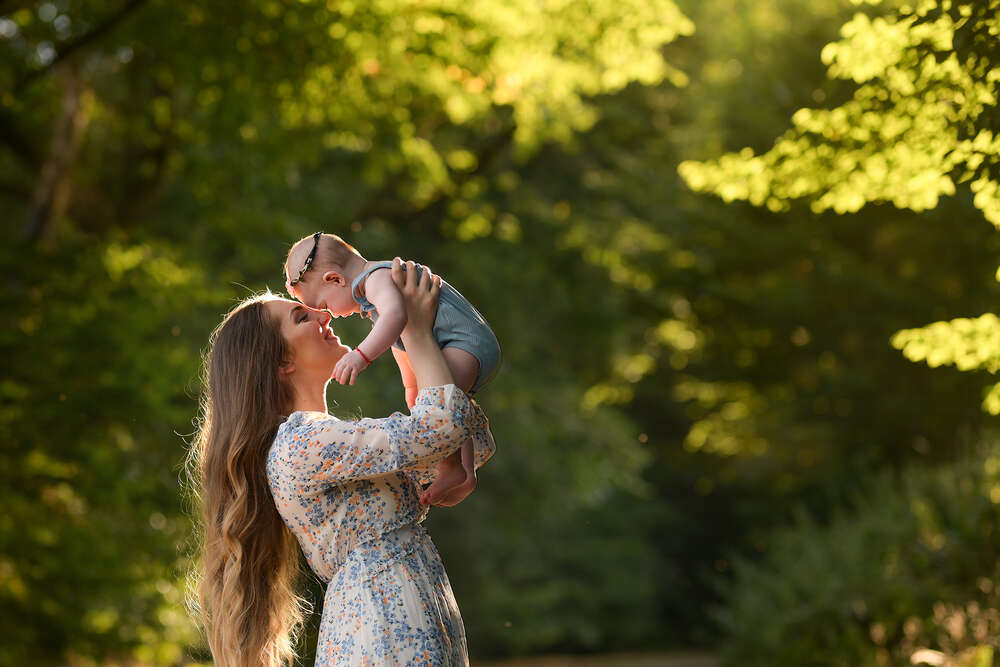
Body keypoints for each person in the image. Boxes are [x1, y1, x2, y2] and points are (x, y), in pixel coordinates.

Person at [187, 259, 494, 666]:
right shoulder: (302, 443)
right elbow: (443, 426)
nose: (324, 311)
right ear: (283, 364)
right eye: (301, 316)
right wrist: (415, 331)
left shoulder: (330, 440)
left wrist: (420, 369)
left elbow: (454, 441)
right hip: (383, 622)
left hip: (409, 608)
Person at [284, 232, 501, 507]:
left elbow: (397, 318)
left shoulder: (377, 278)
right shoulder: (371, 290)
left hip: (466, 343)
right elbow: (401, 342)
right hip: (451, 345)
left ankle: (452, 467)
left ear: (335, 279)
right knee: (442, 401)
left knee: (443, 404)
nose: (330, 315)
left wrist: (361, 355)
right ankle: (465, 472)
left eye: (325, 305)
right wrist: (412, 386)